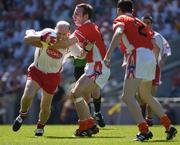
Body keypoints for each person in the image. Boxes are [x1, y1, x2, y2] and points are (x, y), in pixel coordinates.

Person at [104, 0, 177, 141]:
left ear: (119, 10)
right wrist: (151, 61)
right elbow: (154, 44)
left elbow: (119, 32)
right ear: (132, 10)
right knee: (146, 95)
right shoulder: (140, 22)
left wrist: (108, 55)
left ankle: (144, 130)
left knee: (127, 96)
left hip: (137, 56)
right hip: (150, 57)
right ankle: (168, 125)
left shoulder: (121, 19)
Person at [12, 21, 75, 136]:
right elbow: (27, 37)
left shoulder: (70, 43)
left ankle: (40, 126)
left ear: (68, 33)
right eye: (58, 33)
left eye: (63, 34)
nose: (60, 36)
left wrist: (85, 48)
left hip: (52, 76)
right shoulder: (48, 32)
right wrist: (41, 37)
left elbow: (81, 53)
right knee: (27, 95)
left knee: (45, 106)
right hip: (37, 70)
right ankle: (22, 115)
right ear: (54, 29)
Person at [68, 3, 110, 137]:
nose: (74, 16)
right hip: (93, 66)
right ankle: (90, 125)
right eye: (74, 13)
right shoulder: (89, 26)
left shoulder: (86, 27)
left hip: (97, 67)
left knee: (77, 94)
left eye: (77, 14)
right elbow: (81, 54)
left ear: (86, 16)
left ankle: (85, 126)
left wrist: (48, 40)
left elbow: (66, 43)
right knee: (76, 94)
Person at [136, 15, 172, 126]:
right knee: (139, 95)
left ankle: (149, 118)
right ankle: (143, 111)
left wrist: (162, 60)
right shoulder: (138, 35)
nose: (146, 24)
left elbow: (166, 50)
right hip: (141, 67)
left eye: (148, 22)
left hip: (154, 67)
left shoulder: (157, 36)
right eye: (144, 22)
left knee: (151, 94)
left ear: (151, 24)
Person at [72, 57, 106, 127]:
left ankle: (97, 113)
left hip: (92, 67)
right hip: (79, 68)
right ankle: (89, 121)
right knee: (86, 98)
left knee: (96, 93)